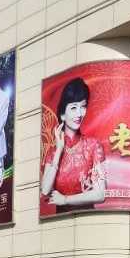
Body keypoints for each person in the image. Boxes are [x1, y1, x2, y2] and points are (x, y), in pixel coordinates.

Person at [41, 78, 106, 214]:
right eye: (73, 108)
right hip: (60, 222)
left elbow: (100, 194)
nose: (79, 114)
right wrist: (59, 150)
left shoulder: (94, 146)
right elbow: (45, 190)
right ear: (62, 115)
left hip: (86, 220)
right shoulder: (53, 154)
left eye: (83, 106)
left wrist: (65, 199)